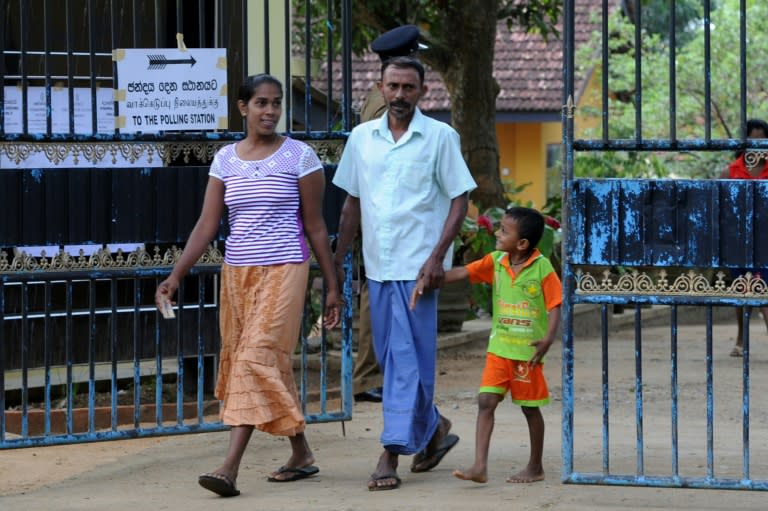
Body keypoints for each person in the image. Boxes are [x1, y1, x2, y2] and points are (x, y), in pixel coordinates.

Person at [154, 74, 341, 498]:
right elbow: (207, 224)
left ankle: (228, 468)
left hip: (286, 268)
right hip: (237, 273)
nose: (271, 111)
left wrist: (332, 285)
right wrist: (176, 274)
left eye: (276, 103)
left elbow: (315, 226)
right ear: (243, 108)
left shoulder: (301, 156)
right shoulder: (225, 159)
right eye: (261, 103)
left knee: (254, 358)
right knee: (258, 359)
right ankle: (301, 453)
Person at [333, 56, 477, 491]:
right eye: (392, 86)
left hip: (420, 272)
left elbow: (460, 199)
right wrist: (338, 263)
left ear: (422, 92)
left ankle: (390, 452)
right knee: (391, 358)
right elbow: (351, 203)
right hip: (377, 268)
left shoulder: (439, 137)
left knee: (408, 366)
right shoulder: (361, 138)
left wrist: (436, 258)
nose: (399, 95)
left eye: (408, 88)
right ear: (380, 87)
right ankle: (434, 427)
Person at [412, 206, 562, 484]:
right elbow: (463, 273)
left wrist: (549, 338)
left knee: (530, 408)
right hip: (499, 350)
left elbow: (555, 303)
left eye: (504, 230)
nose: (497, 232)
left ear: (522, 244)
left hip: (526, 354)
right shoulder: (496, 262)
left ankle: (535, 466)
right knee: (485, 402)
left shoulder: (542, 268)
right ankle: (479, 465)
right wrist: (429, 279)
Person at [343, 24, 428, 404]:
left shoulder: (382, 97)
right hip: (382, 216)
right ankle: (366, 374)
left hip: (388, 216)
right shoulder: (383, 106)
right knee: (372, 296)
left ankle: (373, 372)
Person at [720, 118, 768, 357]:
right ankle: (741, 338)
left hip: (766, 240)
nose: (758, 144)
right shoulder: (730, 172)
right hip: (739, 240)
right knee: (742, 291)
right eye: (753, 139)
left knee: (765, 290)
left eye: (762, 139)